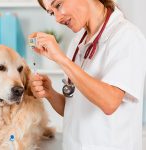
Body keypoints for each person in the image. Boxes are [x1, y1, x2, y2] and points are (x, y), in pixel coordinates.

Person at [29, 0, 146, 149]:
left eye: (58, 5)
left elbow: (110, 103)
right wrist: (50, 93)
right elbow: (72, 109)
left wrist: (61, 59)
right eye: (52, 13)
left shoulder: (126, 36)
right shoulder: (77, 43)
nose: (57, 18)